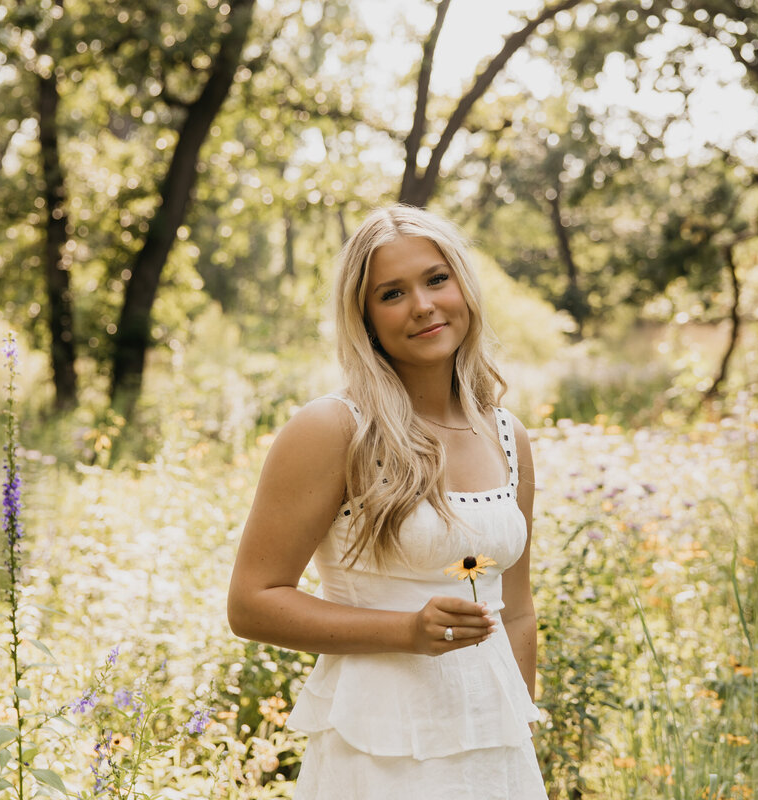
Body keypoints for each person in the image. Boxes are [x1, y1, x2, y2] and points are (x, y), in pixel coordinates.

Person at [226, 205, 546, 799]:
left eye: (436, 279)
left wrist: (519, 732)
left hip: (493, 750)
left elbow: (518, 609)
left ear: (464, 288)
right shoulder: (333, 428)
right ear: (365, 318)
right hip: (382, 749)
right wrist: (408, 631)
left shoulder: (507, 433)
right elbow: (251, 603)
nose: (423, 306)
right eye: (392, 293)